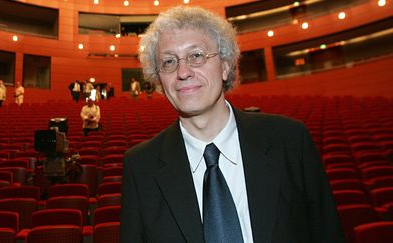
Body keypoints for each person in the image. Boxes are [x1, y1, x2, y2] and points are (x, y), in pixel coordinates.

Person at [121, 6, 345, 243]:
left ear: (226, 66)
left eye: (196, 55)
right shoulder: (139, 166)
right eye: (168, 62)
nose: (183, 72)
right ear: (158, 79)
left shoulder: (290, 140)